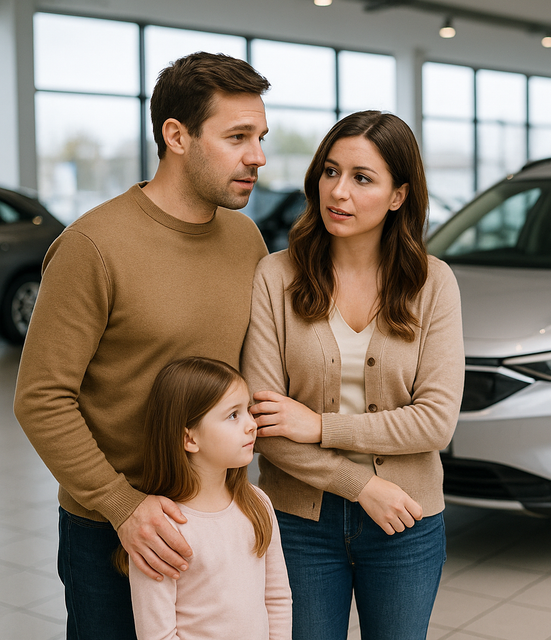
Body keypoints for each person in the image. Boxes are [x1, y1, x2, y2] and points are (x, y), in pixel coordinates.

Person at [14, 52, 270, 640]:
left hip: (216, 512)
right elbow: (41, 398)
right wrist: (121, 505)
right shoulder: (92, 246)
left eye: (259, 136)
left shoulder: (244, 236)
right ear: (176, 136)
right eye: (236, 137)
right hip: (112, 527)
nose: (257, 156)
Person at [241, 110, 464, 640]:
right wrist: (361, 485)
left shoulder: (433, 284)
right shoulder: (276, 276)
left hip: (406, 522)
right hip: (299, 523)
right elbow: (267, 424)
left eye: (362, 178)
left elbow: (435, 423)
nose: (338, 191)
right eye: (330, 171)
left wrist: (318, 426)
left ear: (398, 195)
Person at [123, 357, 291, 639]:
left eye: (247, 411)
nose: (251, 424)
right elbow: (158, 634)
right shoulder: (161, 530)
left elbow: (277, 598)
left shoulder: (258, 504)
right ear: (190, 439)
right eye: (233, 415)